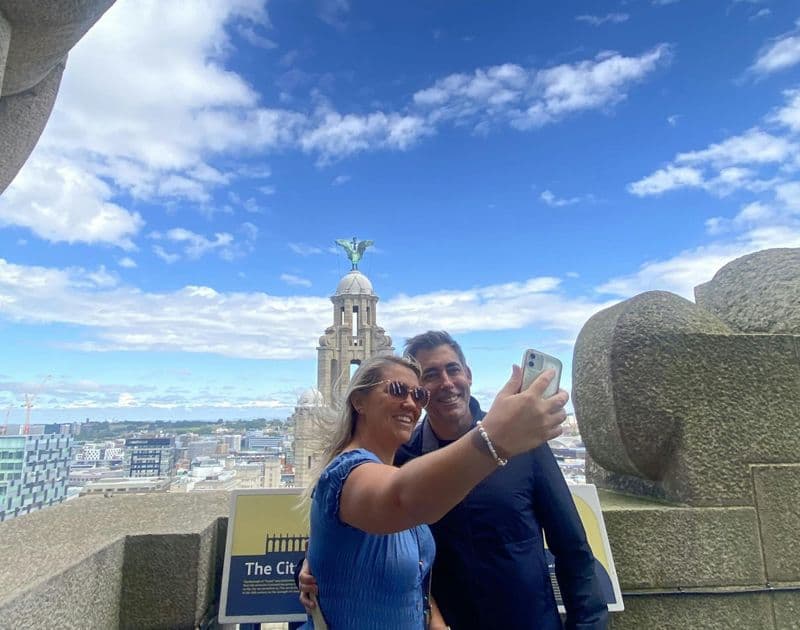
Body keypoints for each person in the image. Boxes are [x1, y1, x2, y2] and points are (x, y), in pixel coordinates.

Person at [301, 331, 608, 629]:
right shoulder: (403, 459)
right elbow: (365, 508)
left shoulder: (524, 445)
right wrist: (312, 565)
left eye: (452, 370)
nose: (446, 383)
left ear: (468, 374)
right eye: (429, 377)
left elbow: (572, 548)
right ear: (360, 402)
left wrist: (588, 624)